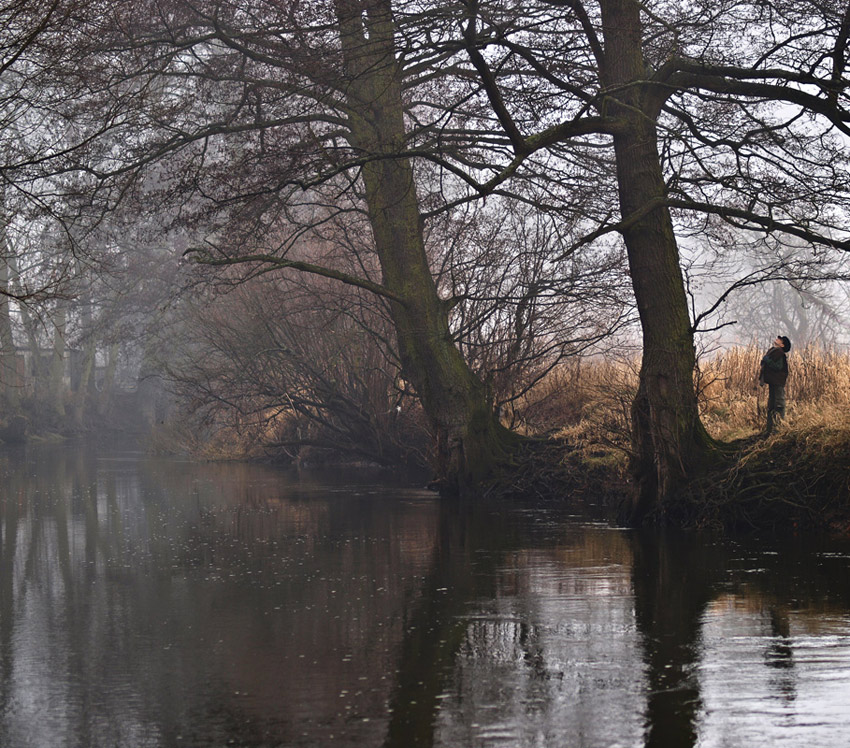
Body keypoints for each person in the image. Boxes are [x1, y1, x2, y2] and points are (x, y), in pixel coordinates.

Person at [759, 335, 791, 434]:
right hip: (774, 382)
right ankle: (770, 430)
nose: (777, 339)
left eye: (779, 339)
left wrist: (767, 360)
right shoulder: (775, 351)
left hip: (778, 383)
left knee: (779, 405)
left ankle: (778, 430)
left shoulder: (780, 353)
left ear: (782, 345)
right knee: (771, 406)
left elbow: (778, 367)